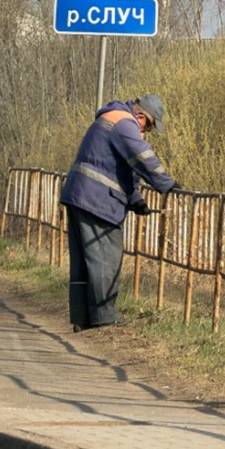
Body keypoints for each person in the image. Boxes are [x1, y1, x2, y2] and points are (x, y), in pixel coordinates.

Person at [60, 94, 180, 332]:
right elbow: (142, 158)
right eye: (149, 126)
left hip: (79, 195)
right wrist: (167, 185)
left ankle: (82, 317)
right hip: (97, 201)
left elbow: (121, 167)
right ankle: (104, 316)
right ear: (141, 115)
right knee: (105, 258)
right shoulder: (125, 123)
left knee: (82, 262)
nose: (147, 132)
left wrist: (135, 199)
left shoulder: (112, 119)